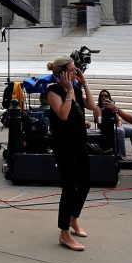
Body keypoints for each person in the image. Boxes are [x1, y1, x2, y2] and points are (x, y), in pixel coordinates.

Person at [45, 55, 101, 252]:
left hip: (80, 141)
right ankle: (64, 233)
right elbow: (63, 114)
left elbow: (92, 106)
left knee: (85, 182)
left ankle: (73, 218)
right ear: (61, 73)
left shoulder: (75, 86)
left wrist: (84, 85)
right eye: (72, 70)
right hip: (64, 144)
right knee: (69, 187)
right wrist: (69, 91)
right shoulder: (53, 90)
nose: (75, 72)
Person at [95, 89, 132, 161]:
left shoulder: (112, 107)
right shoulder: (98, 108)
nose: (104, 97)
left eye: (106, 96)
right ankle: (122, 156)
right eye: (102, 96)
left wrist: (119, 126)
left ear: (109, 97)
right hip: (106, 129)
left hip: (115, 127)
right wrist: (102, 110)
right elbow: (99, 123)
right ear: (99, 98)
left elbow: (118, 120)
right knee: (120, 131)